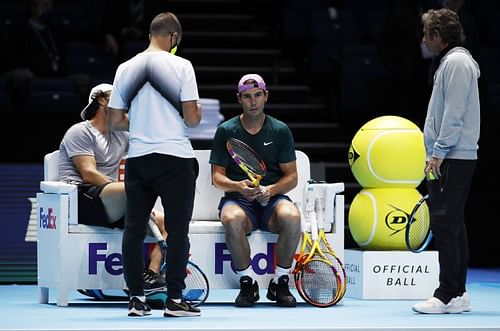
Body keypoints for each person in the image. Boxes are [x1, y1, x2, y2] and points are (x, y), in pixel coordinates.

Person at [108, 12, 202, 317]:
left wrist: (142, 124)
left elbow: (113, 120)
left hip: (138, 160)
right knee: (178, 231)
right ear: (173, 37)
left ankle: (136, 298)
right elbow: (192, 117)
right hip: (175, 159)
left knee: (133, 230)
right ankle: (175, 299)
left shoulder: (125, 68)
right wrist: (192, 113)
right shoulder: (182, 66)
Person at [58, 83, 168, 292]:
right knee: (136, 187)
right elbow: (88, 174)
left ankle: (151, 275)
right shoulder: (80, 132)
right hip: (83, 199)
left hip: (113, 202)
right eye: (117, 97)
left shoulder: (120, 135)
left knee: (168, 221)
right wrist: (134, 197)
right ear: (101, 100)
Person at [209, 73, 301, 308]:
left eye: (257, 95)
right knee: (231, 219)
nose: (253, 101)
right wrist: (237, 186)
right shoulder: (226, 130)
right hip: (239, 200)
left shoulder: (280, 130)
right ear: (239, 99)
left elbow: (292, 177)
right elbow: (217, 178)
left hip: (273, 199)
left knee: (292, 217)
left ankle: (280, 282)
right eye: (247, 96)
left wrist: (271, 189)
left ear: (265, 96)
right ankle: (247, 283)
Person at [412, 8, 480, 314]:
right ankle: (459, 292)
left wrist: (438, 152)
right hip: (449, 155)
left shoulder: (456, 62)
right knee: (453, 223)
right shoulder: (452, 62)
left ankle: (447, 293)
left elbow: (453, 114)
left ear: (438, 36)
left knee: (445, 223)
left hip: (452, 156)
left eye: (426, 33)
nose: (423, 39)